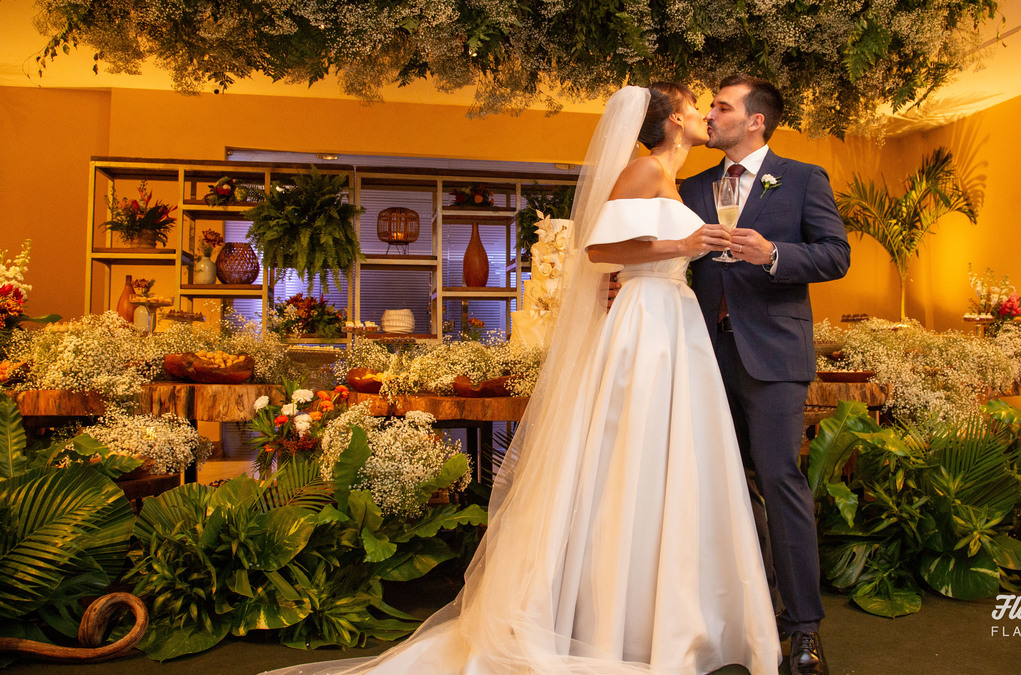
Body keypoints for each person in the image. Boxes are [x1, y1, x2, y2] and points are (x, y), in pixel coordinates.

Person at [263, 83, 781, 675]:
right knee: (631, 451)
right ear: (672, 121)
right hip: (648, 322)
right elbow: (598, 250)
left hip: (676, 318)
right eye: (697, 106)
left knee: (677, 457)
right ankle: (619, 619)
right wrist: (684, 243)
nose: (706, 115)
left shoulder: (677, 179)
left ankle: (676, 611)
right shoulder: (642, 170)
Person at [679, 75, 852, 675]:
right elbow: (672, 260)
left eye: (722, 107)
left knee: (780, 481)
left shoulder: (802, 178)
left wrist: (773, 254)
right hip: (699, 353)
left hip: (774, 355)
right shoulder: (690, 186)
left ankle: (803, 629)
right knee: (714, 488)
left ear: (755, 120)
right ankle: (729, 616)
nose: (710, 115)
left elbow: (835, 254)